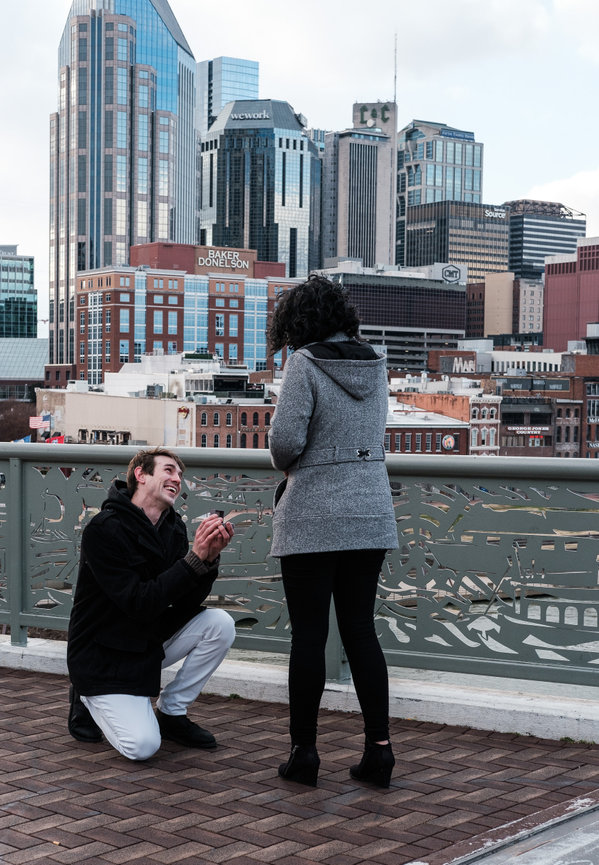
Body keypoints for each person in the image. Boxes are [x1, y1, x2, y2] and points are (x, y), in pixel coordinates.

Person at [268, 274, 399, 788]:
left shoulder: (304, 364)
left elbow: (283, 444)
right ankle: (380, 751)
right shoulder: (378, 364)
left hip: (313, 514)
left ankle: (304, 755)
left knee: (309, 635)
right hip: (370, 510)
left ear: (298, 322)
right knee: (361, 630)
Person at [67, 447, 236, 761]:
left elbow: (183, 602)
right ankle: (87, 695)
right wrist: (193, 560)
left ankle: (171, 713)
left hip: (144, 641)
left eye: (180, 475)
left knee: (220, 624)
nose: (177, 479)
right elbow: (137, 602)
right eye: (168, 470)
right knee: (143, 747)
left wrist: (207, 562)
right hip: (103, 654)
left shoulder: (174, 528)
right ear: (140, 475)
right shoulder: (104, 529)